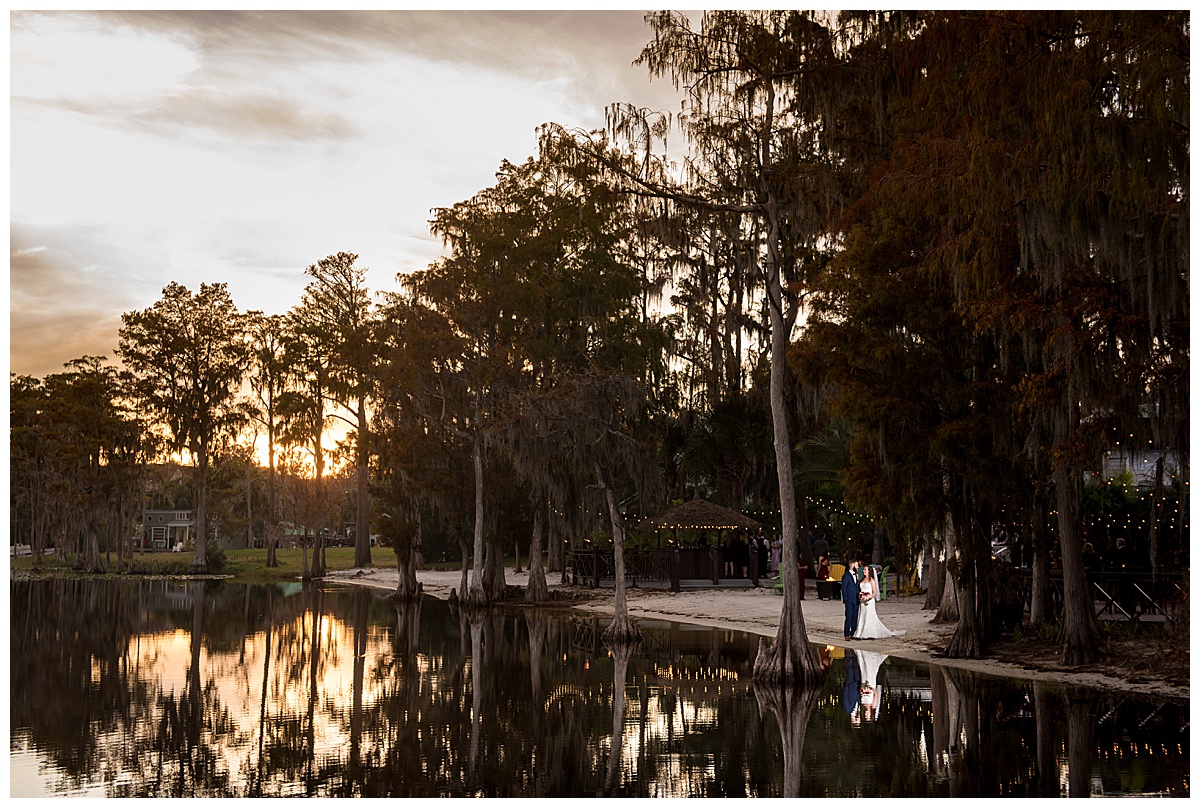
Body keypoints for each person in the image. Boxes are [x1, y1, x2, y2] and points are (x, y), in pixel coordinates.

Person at [854, 566, 906, 639]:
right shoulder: (862, 580)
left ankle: (869, 632)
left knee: (869, 615)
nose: (863, 571)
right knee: (863, 615)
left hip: (869, 601)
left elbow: (874, 592)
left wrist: (868, 598)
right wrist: (861, 597)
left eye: (865, 570)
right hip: (862, 601)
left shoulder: (872, 580)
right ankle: (860, 632)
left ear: (869, 571)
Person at [841, 560, 861, 640]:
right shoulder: (846, 576)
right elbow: (844, 588)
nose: (858, 567)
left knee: (855, 616)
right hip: (849, 599)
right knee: (849, 616)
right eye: (857, 565)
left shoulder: (856, 575)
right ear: (852, 565)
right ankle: (846, 634)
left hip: (856, 599)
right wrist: (846, 599)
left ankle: (853, 632)